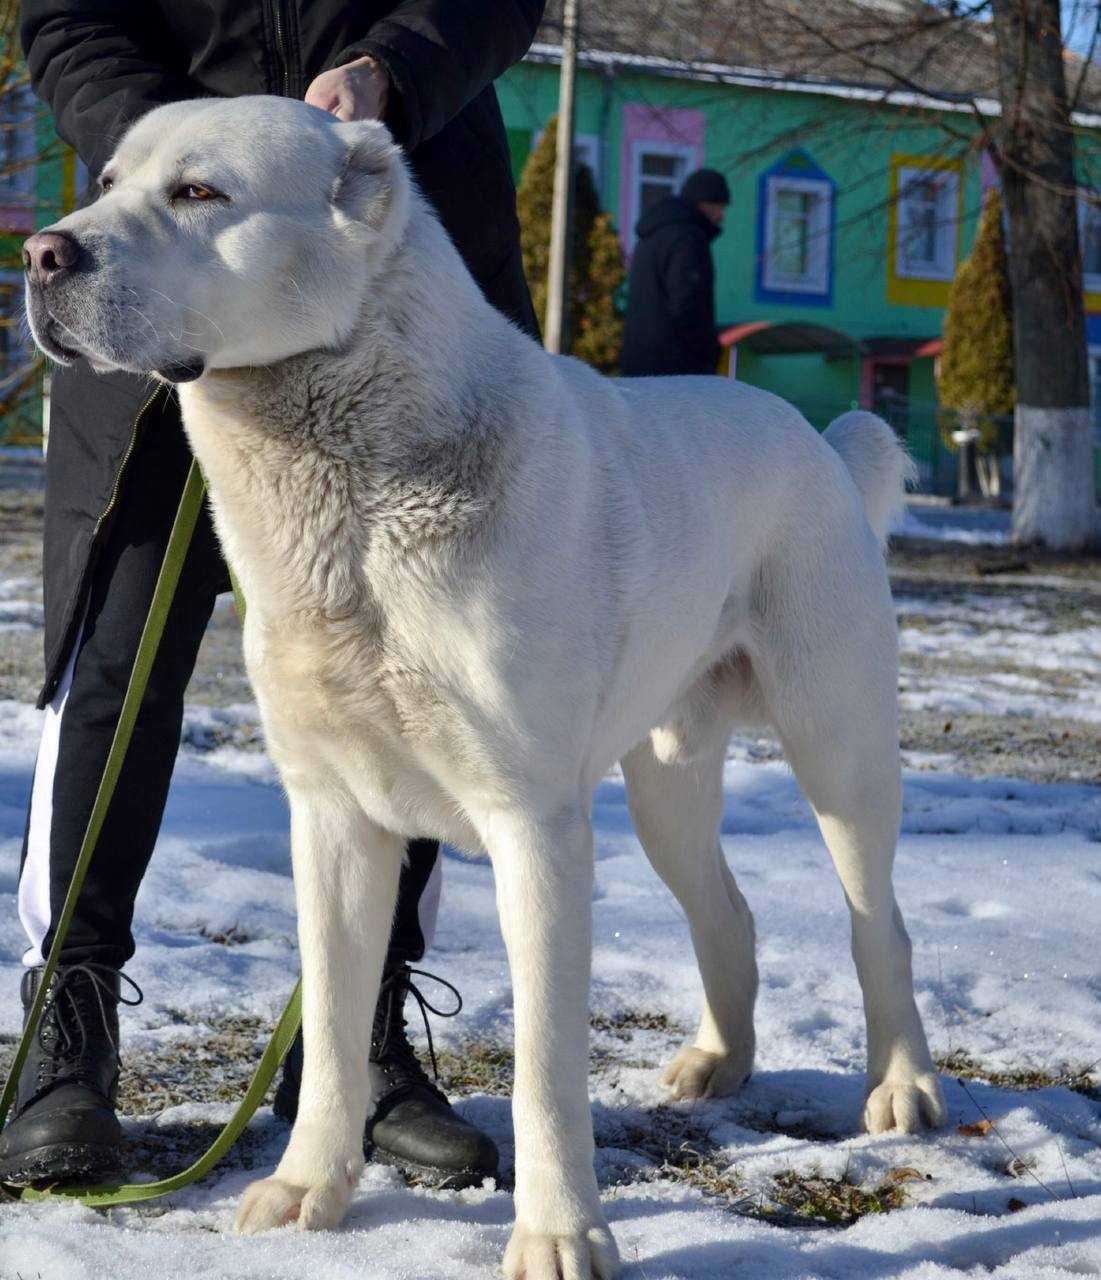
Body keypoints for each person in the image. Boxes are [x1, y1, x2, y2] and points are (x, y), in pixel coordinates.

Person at [1, 0, 543, 1190]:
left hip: (398, 275)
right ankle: (69, 1022)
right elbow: (60, 12)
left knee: (422, 687)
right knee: (115, 652)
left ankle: (360, 1040)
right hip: (166, 268)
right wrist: (176, 154)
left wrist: (388, 70)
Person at [620, 168, 731, 378]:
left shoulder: (652, 237)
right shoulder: (688, 240)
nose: (721, 215)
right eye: (719, 206)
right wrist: (708, 354)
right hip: (675, 370)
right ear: (703, 203)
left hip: (640, 362)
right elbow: (688, 306)